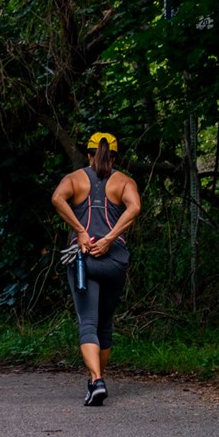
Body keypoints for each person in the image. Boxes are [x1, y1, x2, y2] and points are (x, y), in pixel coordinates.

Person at [51, 132, 141, 406]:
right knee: (105, 322)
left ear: (89, 153)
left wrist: (80, 232)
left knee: (88, 322)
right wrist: (111, 238)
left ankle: (96, 380)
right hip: (114, 262)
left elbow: (57, 199)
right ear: (114, 156)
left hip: (84, 260)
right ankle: (96, 381)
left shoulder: (75, 179)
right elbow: (135, 207)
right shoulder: (125, 181)